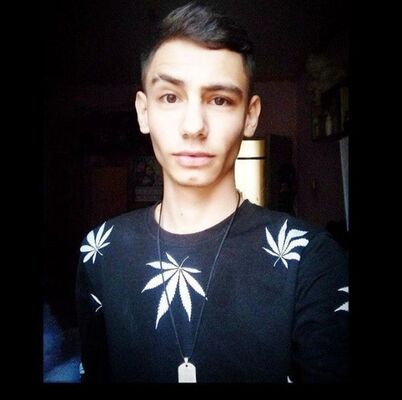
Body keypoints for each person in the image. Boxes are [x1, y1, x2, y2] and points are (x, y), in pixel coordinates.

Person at [76, 1, 349, 383]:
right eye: (170, 97)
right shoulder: (100, 250)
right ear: (143, 111)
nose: (193, 126)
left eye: (219, 100)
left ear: (250, 116)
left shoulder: (312, 259)